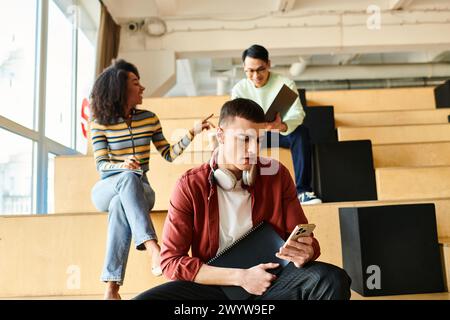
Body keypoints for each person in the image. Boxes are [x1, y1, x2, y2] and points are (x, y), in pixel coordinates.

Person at [134, 98, 351, 300]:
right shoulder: (190, 185)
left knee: (332, 279)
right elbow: (171, 261)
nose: (253, 150)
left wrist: (308, 250)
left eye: (258, 140)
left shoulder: (277, 174)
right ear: (220, 135)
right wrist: (241, 277)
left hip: (272, 281)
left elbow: (304, 236)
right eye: (244, 140)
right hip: (215, 285)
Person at [89, 59, 214, 300]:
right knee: (123, 182)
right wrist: (122, 165)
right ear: (120, 89)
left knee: (119, 205)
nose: (142, 88)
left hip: (141, 189)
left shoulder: (149, 119)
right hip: (107, 186)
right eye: (136, 83)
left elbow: (168, 154)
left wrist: (193, 132)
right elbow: (101, 166)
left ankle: (111, 289)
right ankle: (153, 249)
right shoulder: (100, 124)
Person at [231, 44, 321, 205]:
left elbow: (298, 114)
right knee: (235, 138)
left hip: (278, 133)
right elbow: (235, 120)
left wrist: (282, 126)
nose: (256, 75)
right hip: (253, 136)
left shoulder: (285, 84)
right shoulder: (239, 89)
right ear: (244, 68)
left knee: (301, 133)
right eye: (250, 71)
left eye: (261, 69)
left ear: (269, 64)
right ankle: (240, 189)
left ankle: (303, 191)